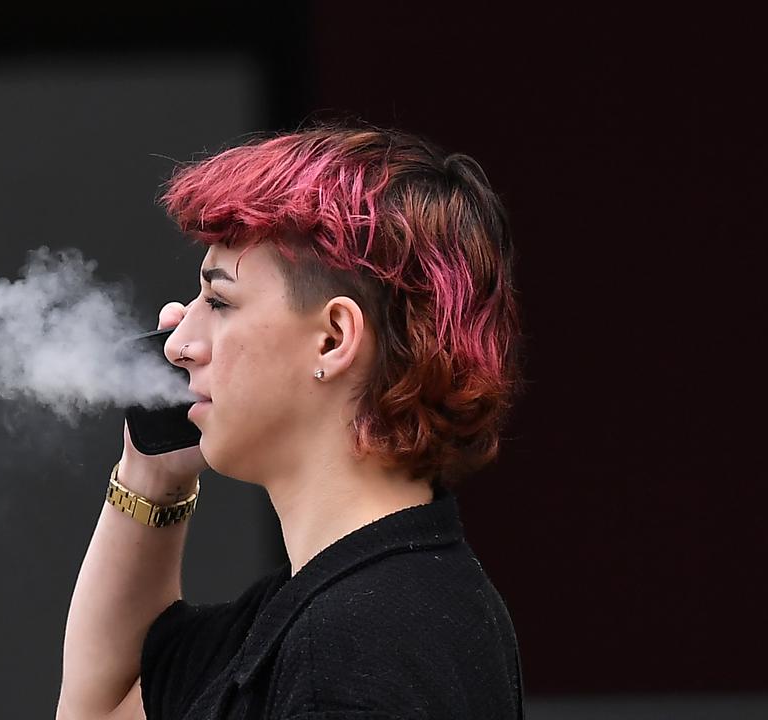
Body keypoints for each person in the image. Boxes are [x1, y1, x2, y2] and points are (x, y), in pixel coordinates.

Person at [57, 125, 525, 720]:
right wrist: (152, 477)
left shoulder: (353, 644)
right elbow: (97, 711)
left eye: (220, 302)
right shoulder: (362, 601)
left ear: (333, 339)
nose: (179, 343)